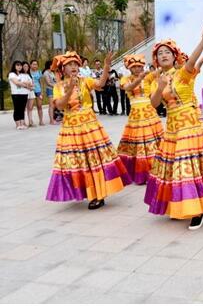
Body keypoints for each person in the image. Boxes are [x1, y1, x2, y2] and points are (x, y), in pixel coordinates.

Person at [144, 27, 203, 230]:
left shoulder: (183, 74)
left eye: (167, 52)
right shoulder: (156, 79)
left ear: (174, 56)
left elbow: (193, 61)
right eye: (160, 53)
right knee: (171, 168)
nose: (163, 55)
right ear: (156, 59)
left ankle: (197, 210)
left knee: (187, 167)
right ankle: (179, 203)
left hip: (189, 126)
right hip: (172, 128)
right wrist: (159, 87)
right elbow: (154, 103)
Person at [46, 51, 130, 210]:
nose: (74, 67)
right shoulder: (58, 87)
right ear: (63, 69)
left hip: (89, 126)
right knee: (77, 161)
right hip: (71, 128)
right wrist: (69, 89)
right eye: (70, 65)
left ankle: (98, 194)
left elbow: (100, 84)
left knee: (93, 159)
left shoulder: (85, 81)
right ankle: (82, 190)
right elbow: (60, 105)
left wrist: (106, 66)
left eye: (75, 64)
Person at [117, 55, 164, 185]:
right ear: (129, 68)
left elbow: (160, 70)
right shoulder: (125, 79)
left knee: (153, 143)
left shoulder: (147, 77)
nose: (137, 69)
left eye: (139, 66)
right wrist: (139, 79)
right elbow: (128, 88)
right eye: (134, 67)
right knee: (137, 144)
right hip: (136, 115)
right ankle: (139, 172)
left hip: (149, 113)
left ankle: (156, 170)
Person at [8, 61, 31, 130]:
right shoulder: (11, 74)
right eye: (17, 65)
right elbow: (17, 83)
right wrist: (26, 85)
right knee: (17, 109)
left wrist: (24, 84)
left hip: (24, 94)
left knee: (22, 109)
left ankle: (22, 123)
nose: (19, 67)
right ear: (14, 66)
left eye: (20, 65)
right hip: (16, 94)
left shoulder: (23, 74)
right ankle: (18, 124)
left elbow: (29, 83)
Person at [42, 60, 58, 125]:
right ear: (49, 65)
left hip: (55, 89)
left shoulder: (52, 72)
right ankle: (51, 120)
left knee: (54, 105)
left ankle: (54, 118)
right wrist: (56, 86)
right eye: (52, 65)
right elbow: (48, 83)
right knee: (51, 105)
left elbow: (55, 80)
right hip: (50, 89)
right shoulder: (46, 73)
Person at [30, 60, 45, 126]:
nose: (35, 66)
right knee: (30, 107)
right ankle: (31, 121)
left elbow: (41, 82)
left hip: (38, 91)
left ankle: (41, 121)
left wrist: (42, 91)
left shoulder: (39, 72)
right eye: (33, 64)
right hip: (31, 90)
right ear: (30, 65)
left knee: (39, 106)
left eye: (36, 64)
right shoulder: (28, 72)